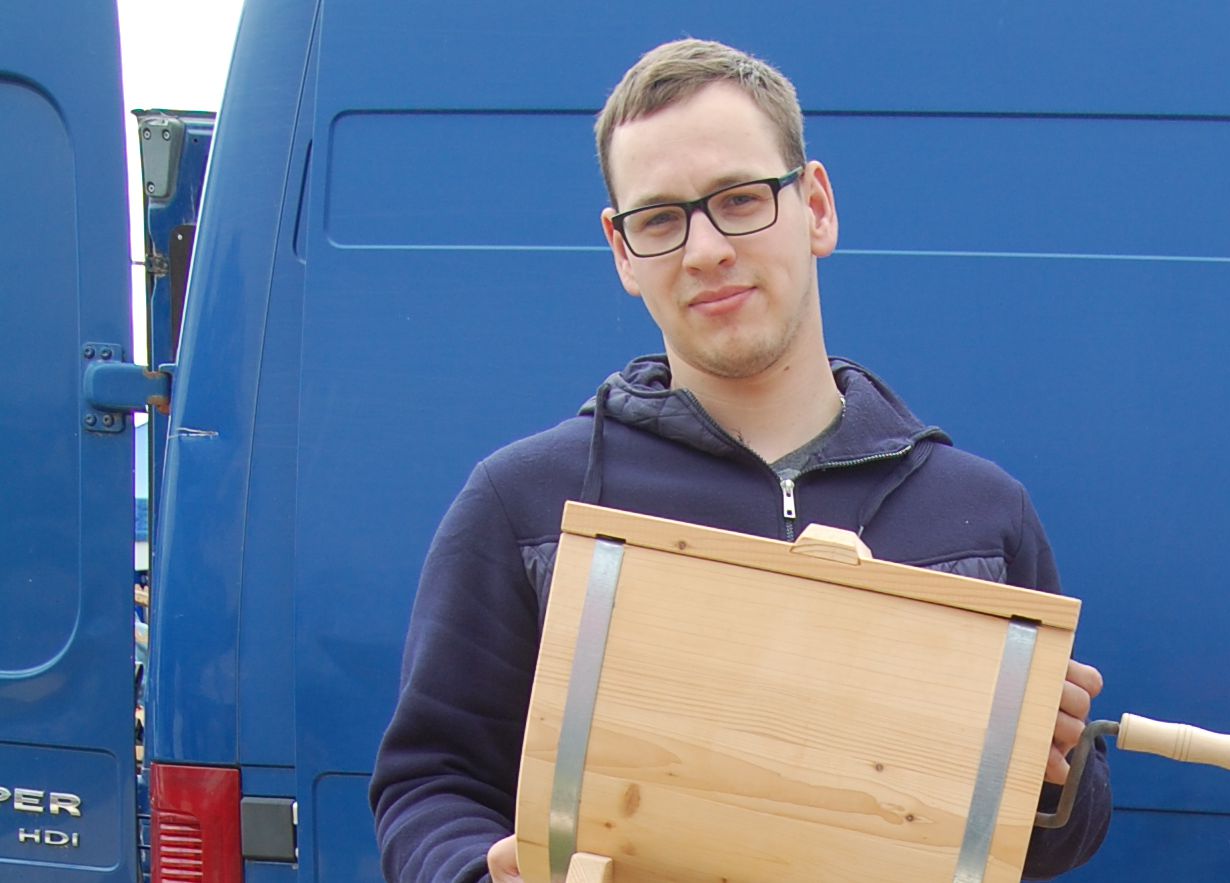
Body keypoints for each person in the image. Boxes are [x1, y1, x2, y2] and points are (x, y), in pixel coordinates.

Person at [367, 38, 1112, 882]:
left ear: (816, 207)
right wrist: (478, 872)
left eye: (739, 199)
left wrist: (1056, 769)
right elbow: (430, 784)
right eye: (660, 219)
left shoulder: (978, 516)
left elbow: (1051, 841)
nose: (705, 250)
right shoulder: (523, 506)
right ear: (621, 251)